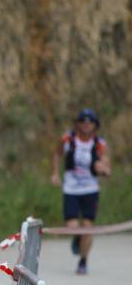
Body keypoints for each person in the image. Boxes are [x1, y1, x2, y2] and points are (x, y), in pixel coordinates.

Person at [51, 108, 111, 275]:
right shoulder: (67, 139)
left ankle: (83, 261)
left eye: (89, 122)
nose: (86, 125)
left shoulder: (100, 144)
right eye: (83, 122)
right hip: (71, 188)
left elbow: (107, 167)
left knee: (87, 226)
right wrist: (55, 173)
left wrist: (103, 169)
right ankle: (78, 238)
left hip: (90, 190)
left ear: (95, 125)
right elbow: (56, 154)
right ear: (78, 124)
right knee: (72, 226)